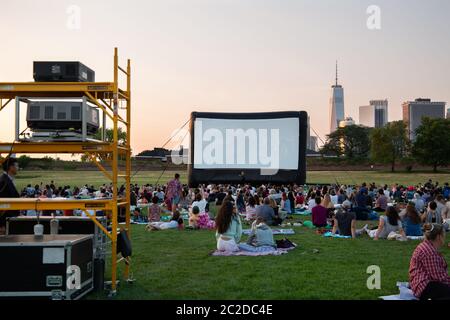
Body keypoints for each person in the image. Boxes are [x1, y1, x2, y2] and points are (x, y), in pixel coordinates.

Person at [409, 223, 450, 300]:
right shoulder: (429, 252)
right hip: (424, 286)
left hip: (420, 284)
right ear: (438, 237)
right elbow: (438, 277)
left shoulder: (427, 246)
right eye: (443, 235)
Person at [0, 158, 20, 234]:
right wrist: (1, 224)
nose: (18, 168)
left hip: (9, 221)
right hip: (5, 223)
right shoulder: (3, 181)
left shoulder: (7, 179)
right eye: (17, 166)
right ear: (11, 167)